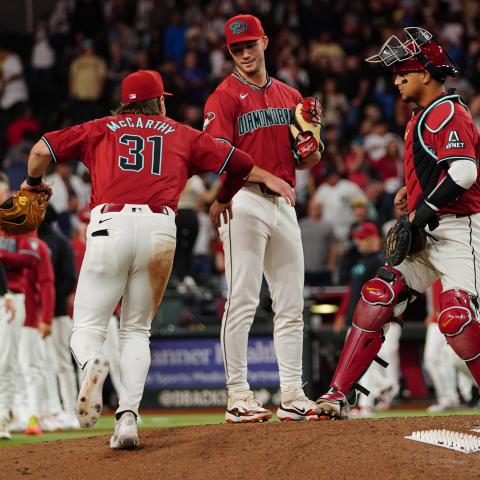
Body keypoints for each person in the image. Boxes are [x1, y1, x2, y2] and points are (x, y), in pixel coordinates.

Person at [21, 69, 295, 449]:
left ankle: (92, 364)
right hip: (159, 229)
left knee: (86, 328)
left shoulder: (101, 127)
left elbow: (38, 151)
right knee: (136, 331)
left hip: (109, 225)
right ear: (159, 101)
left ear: (125, 102)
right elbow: (242, 162)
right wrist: (225, 196)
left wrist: (33, 184)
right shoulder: (182, 133)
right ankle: (128, 419)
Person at [317, 27, 480, 419]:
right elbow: (438, 172)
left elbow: (464, 173)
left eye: (402, 72)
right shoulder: (421, 116)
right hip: (430, 231)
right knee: (378, 295)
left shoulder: (445, 110)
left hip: (461, 231)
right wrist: (411, 194)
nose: (395, 80)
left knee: (456, 317)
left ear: (425, 73)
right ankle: (338, 395)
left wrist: (419, 211)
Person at [203, 14, 321, 423]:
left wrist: (311, 150)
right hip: (244, 200)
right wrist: (267, 174)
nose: (245, 53)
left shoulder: (291, 95)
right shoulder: (223, 96)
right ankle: (238, 395)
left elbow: (306, 160)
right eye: (236, 48)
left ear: (265, 42)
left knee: (291, 303)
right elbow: (219, 156)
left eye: (249, 44)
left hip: (283, 201)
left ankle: (292, 393)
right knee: (243, 300)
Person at [333, 223, 401, 416]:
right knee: (357, 363)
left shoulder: (380, 261)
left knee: (363, 361)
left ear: (373, 238)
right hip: (355, 320)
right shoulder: (360, 262)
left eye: (363, 238)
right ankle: (379, 390)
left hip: (369, 322)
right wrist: (341, 313)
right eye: (357, 238)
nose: (358, 242)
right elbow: (351, 290)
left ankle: (371, 398)